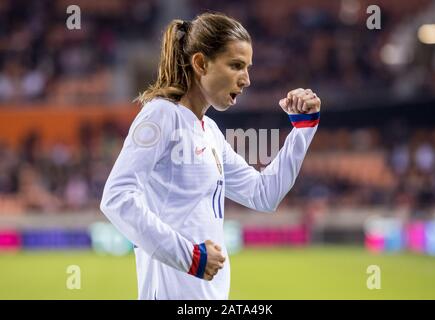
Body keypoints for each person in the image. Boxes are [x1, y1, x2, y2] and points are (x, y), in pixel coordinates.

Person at [100, 12, 321, 300]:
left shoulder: (210, 131)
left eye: (248, 68)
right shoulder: (161, 115)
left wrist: (303, 130)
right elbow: (117, 198)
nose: (246, 80)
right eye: (236, 65)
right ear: (201, 63)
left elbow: (264, 194)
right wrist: (190, 257)